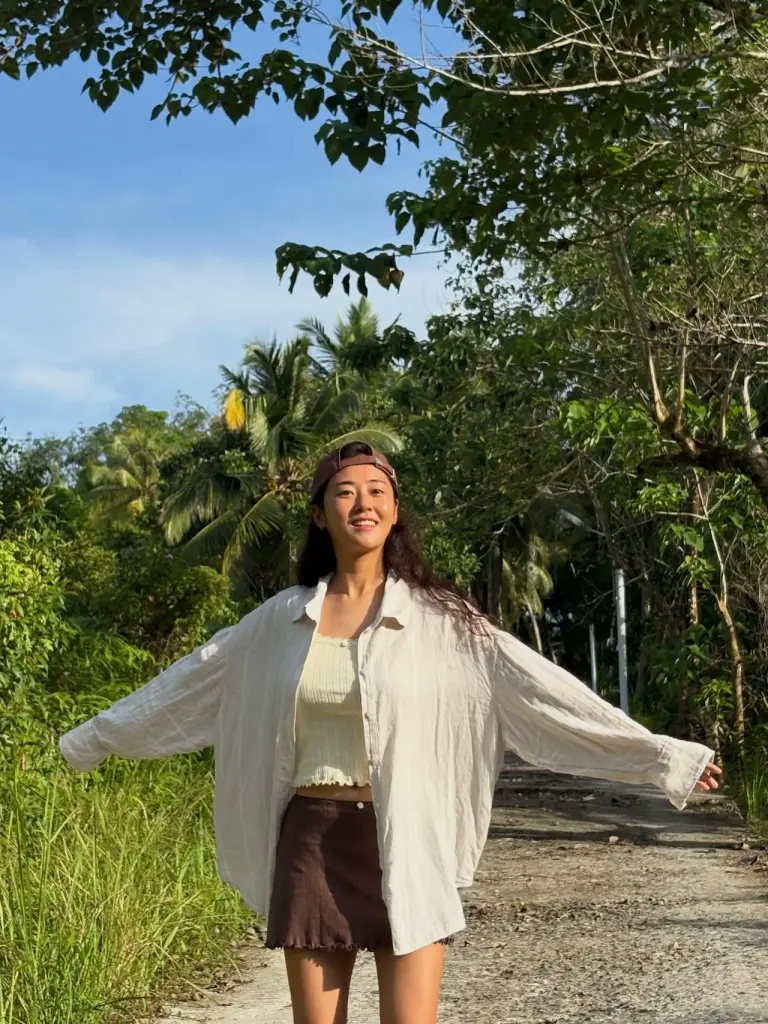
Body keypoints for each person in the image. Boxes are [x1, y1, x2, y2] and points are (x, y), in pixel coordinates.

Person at [59, 441, 722, 1024]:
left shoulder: (444, 624)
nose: (362, 503)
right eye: (344, 493)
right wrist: (86, 741)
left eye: (377, 491)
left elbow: (546, 693)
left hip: (409, 837)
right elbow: (181, 689)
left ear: (396, 511)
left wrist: (663, 757)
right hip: (313, 843)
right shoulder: (276, 624)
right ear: (320, 515)